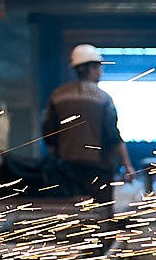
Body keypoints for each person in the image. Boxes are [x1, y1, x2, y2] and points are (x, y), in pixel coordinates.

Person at [45, 44, 128, 198]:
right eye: (99, 68)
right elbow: (113, 136)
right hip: (98, 170)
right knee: (100, 214)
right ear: (91, 69)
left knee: (69, 215)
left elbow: (49, 135)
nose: (101, 72)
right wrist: (127, 166)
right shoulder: (103, 98)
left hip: (66, 170)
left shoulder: (57, 95)